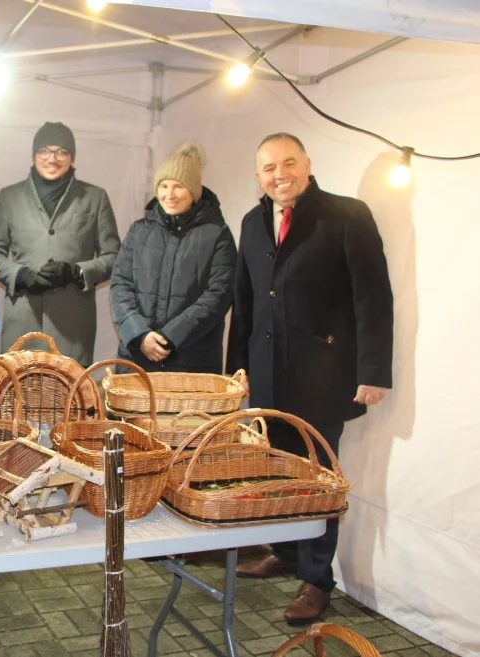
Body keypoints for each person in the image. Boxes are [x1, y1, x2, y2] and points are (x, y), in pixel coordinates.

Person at [227, 132, 393, 624]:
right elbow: (246, 301)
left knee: (318, 479)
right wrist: (237, 370)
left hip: (324, 375)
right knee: (277, 469)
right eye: (269, 167)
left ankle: (318, 580)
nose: (280, 174)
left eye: (289, 163)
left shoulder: (347, 215)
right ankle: (288, 551)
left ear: (308, 164)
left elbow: (373, 297)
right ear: (258, 175)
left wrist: (374, 371)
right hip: (266, 372)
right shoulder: (252, 223)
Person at [0, 121, 120, 366]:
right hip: (23, 321)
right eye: (45, 150)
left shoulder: (95, 197)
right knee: (18, 397)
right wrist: (21, 275)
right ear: (34, 154)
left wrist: (76, 272)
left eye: (62, 151)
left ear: (72, 157)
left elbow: (113, 255)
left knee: (71, 399)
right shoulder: (10, 197)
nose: (52, 158)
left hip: (72, 325)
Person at [110, 142, 236, 373]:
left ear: (194, 191)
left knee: (187, 412)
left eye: (178, 186)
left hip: (192, 362)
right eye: (163, 185)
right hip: (138, 358)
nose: (169, 195)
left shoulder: (217, 234)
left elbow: (219, 294)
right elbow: (120, 285)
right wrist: (139, 334)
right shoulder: (139, 231)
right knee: (135, 411)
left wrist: (170, 337)